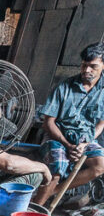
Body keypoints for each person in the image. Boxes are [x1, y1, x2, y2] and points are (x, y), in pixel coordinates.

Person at [32, 42, 104, 206]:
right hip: (58, 137)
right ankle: (34, 211)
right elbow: (48, 123)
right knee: (57, 169)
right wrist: (68, 145)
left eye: (93, 66)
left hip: (85, 140)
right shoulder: (64, 87)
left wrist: (86, 143)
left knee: (101, 166)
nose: (87, 70)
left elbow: (101, 123)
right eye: (84, 65)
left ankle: (56, 191)